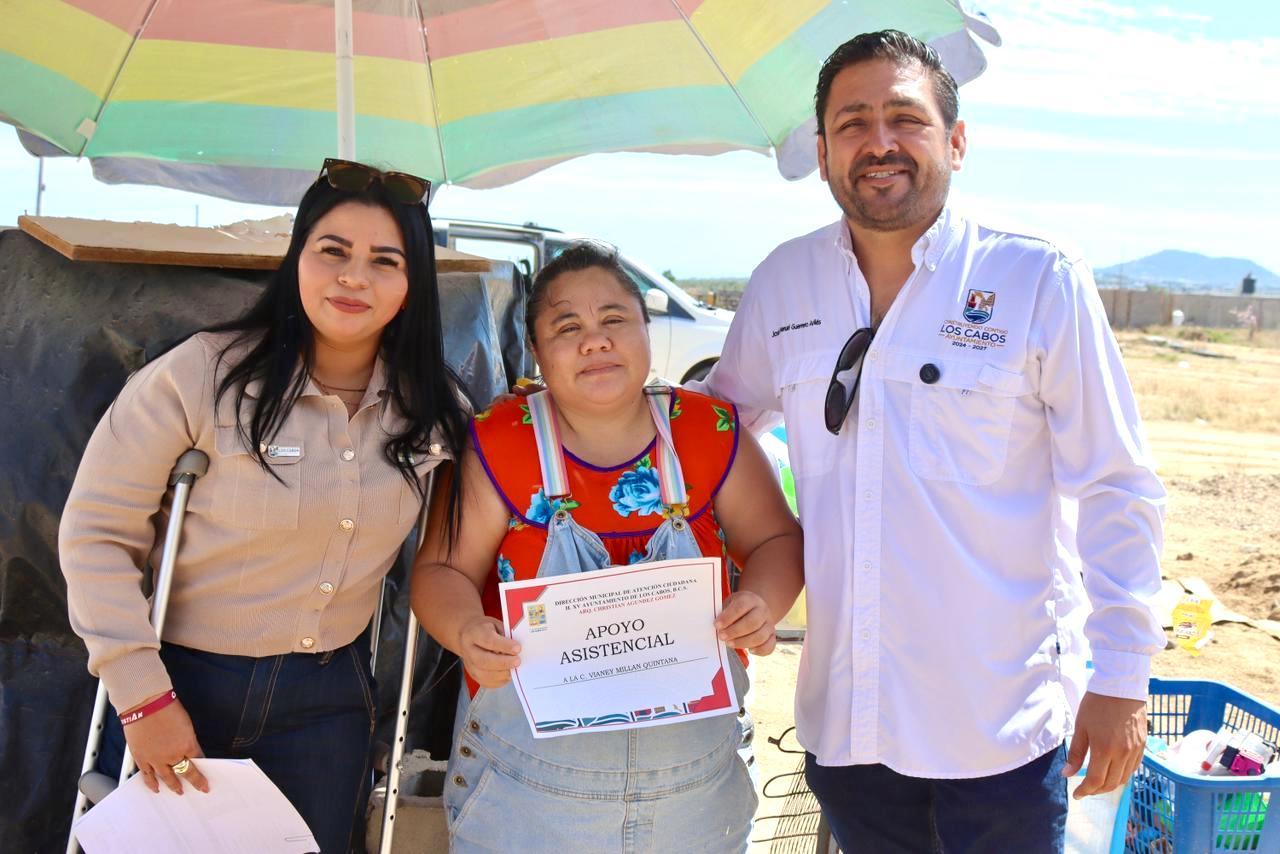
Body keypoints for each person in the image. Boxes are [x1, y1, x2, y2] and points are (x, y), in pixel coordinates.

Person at [692, 30, 1166, 852]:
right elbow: (713, 435)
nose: (879, 142)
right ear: (822, 151)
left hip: (998, 728)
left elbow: (1115, 482)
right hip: (849, 724)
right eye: (852, 123)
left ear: (956, 141)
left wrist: (1123, 678)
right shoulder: (783, 283)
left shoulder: (1035, 278)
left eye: (905, 118)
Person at [59, 158, 469, 853]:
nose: (354, 277)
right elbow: (96, 533)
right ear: (296, 258)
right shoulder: (198, 376)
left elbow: (465, 542)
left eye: (385, 261)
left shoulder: (433, 412)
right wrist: (142, 696)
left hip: (328, 703)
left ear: (413, 285)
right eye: (332, 251)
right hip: (182, 680)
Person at [410, 242, 804, 852]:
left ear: (647, 331)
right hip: (527, 796)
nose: (595, 340)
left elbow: (777, 540)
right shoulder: (499, 443)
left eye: (614, 318)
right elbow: (442, 571)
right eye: (567, 327)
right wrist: (465, 630)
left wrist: (761, 601)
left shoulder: (710, 431)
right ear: (536, 350)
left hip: (694, 800)